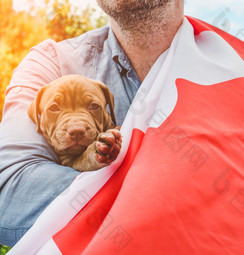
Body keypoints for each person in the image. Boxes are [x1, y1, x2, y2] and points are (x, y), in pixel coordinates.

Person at [0, 0, 184, 246]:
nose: (76, 126)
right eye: (56, 109)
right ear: (38, 117)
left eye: (92, 106)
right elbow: (11, 195)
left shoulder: (234, 69)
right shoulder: (49, 63)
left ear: (108, 109)